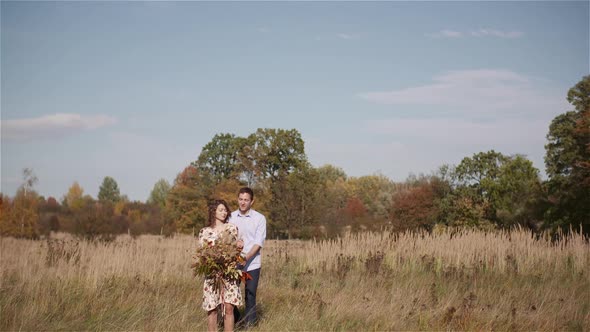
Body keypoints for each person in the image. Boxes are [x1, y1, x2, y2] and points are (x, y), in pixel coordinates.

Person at [198, 199, 244, 332]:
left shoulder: (231, 228)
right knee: (212, 309)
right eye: (221, 210)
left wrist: (239, 247)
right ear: (213, 212)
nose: (224, 213)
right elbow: (203, 254)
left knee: (228, 308)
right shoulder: (204, 232)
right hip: (212, 274)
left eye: (226, 210)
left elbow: (234, 251)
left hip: (228, 274)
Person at [230, 187, 267, 327]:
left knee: (250, 295)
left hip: (252, 264)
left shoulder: (260, 218)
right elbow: (227, 239)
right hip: (233, 265)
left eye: (246, 200)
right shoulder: (231, 217)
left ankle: (250, 327)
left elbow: (258, 242)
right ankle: (238, 321)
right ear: (237, 200)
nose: (243, 202)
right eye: (241, 199)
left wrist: (246, 258)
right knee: (230, 297)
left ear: (252, 201)